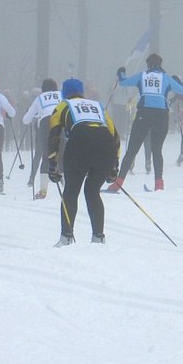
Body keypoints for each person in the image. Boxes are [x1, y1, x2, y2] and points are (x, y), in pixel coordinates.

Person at [48, 79, 120, 246]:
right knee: (92, 191)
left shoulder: (62, 106)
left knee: (71, 191)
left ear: (64, 93)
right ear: (82, 92)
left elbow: (54, 136)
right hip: (106, 146)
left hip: (79, 144)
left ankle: (66, 237)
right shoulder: (98, 106)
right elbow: (114, 134)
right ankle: (98, 237)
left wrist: (52, 165)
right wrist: (114, 165)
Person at [106, 53, 183, 192]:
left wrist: (121, 72)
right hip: (161, 115)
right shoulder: (165, 77)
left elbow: (123, 82)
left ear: (148, 64)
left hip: (144, 113)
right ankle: (159, 183)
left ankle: (118, 183)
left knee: (132, 149)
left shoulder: (142, 76)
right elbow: (181, 90)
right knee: (157, 150)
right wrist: (177, 81)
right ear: (160, 64)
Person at [22, 79, 61, 199]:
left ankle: (43, 191)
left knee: (46, 155)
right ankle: (67, 187)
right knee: (62, 154)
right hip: (60, 120)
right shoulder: (61, 95)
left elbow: (26, 120)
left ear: (43, 89)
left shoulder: (39, 98)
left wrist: (35, 113)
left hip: (45, 123)